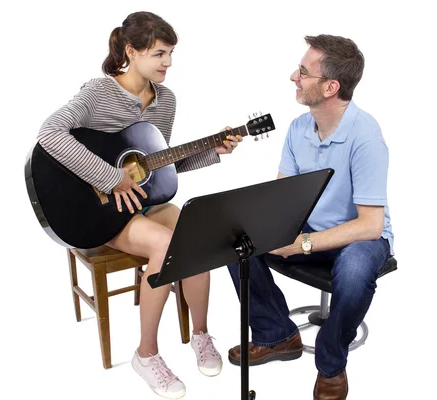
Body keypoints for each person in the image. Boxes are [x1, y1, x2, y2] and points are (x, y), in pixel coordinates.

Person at [37, 11, 242, 399]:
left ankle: (200, 334)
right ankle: (146, 355)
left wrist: (213, 152)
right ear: (131, 52)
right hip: (97, 210)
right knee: (165, 246)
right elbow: (50, 133)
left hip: (143, 203)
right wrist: (110, 177)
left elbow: (156, 164)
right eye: (160, 54)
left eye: (171, 53)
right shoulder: (98, 93)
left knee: (198, 234)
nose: (168, 63)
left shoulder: (166, 101)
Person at [226, 34, 393, 400]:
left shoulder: (366, 137)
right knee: (234, 240)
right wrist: (266, 228)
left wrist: (300, 243)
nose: (293, 77)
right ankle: (276, 335)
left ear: (331, 87)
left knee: (354, 270)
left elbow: (370, 225)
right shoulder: (299, 128)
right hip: (311, 230)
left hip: (360, 239)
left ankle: (331, 363)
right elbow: (283, 198)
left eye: (303, 72)